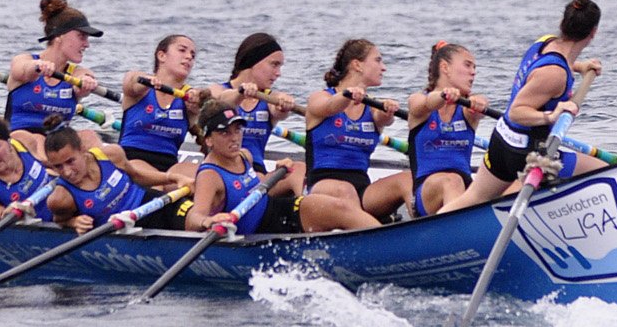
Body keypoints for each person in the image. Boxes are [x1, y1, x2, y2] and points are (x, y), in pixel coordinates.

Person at [441, 0, 607, 213]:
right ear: (593, 33)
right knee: (605, 172)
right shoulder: (555, 75)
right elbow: (517, 112)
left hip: (502, 140)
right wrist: (551, 115)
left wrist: (581, 66)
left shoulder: (544, 42)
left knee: (474, 197)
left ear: (562, 24)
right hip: (526, 153)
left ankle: (424, 234)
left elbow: (555, 64)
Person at [299, 39, 400, 233]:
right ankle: (380, 241)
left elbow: (383, 120)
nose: (384, 67)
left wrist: (388, 112)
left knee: (406, 180)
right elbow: (329, 107)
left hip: (363, 189)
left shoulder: (373, 108)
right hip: (322, 186)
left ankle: (429, 232)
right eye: (378, 60)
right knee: (345, 190)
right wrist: (346, 95)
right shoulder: (320, 98)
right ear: (357, 65)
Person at [208, 32, 306, 194]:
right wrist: (240, 93)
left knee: (299, 167)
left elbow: (278, 109)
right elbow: (221, 102)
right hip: (221, 170)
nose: (278, 73)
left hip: (257, 173)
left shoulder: (270, 100)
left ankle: (299, 204)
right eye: (274, 65)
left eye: (280, 66)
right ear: (254, 61)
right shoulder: (218, 90)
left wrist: (283, 102)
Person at [181, 101, 299, 234]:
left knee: (305, 185)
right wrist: (207, 221)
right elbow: (193, 219)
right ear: (208, 140)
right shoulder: (209, 175)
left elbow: (255, 188)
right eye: (225, 133)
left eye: (237, 130)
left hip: (269, 214)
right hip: (253, 231)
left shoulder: (245, 155)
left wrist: (277, 173)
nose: (235, 138)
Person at [5, 0, 104, 156]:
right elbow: (21, 69)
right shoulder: (24, 61)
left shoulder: (76, 73)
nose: (87, 44)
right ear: (60, 36)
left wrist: (86, 82)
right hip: (19, 142)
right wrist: (37, 67)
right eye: (81, 36)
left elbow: (83, 78)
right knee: (36, 139)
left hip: (58, 145)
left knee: (89, 136)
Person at [405, 42, 489, 217]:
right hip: (426, 195)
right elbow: (426, 104)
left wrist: (481, 102)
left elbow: (480, 105)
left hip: (466, 189)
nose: (473, 72)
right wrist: (443, 96)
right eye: (467, 65)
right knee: (451, 180)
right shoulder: (417, 101)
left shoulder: (468, 109)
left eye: (474, 67)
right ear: (445, 67)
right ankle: (456, 232)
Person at [41, 122, 171, 233]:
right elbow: (59, 220)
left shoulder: (110, 154)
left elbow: (136, 176)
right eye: (58, 167)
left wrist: (173, 178)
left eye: (70, 161)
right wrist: (73, 222)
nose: (67, 172)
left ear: (82, 150)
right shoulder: (60, 199)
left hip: (148, 203)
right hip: (120, 229)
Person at [119, 34, 203, 190]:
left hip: (170, 166)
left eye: (192, 55)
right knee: (157, 187)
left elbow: (209, 98)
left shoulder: (189, 97)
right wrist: (146, 81)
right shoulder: (140, 90)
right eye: (182, 50)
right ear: (161, 55)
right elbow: (131, 81)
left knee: (206, 179)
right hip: (132, 161)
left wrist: (198, 102)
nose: (189, 57)